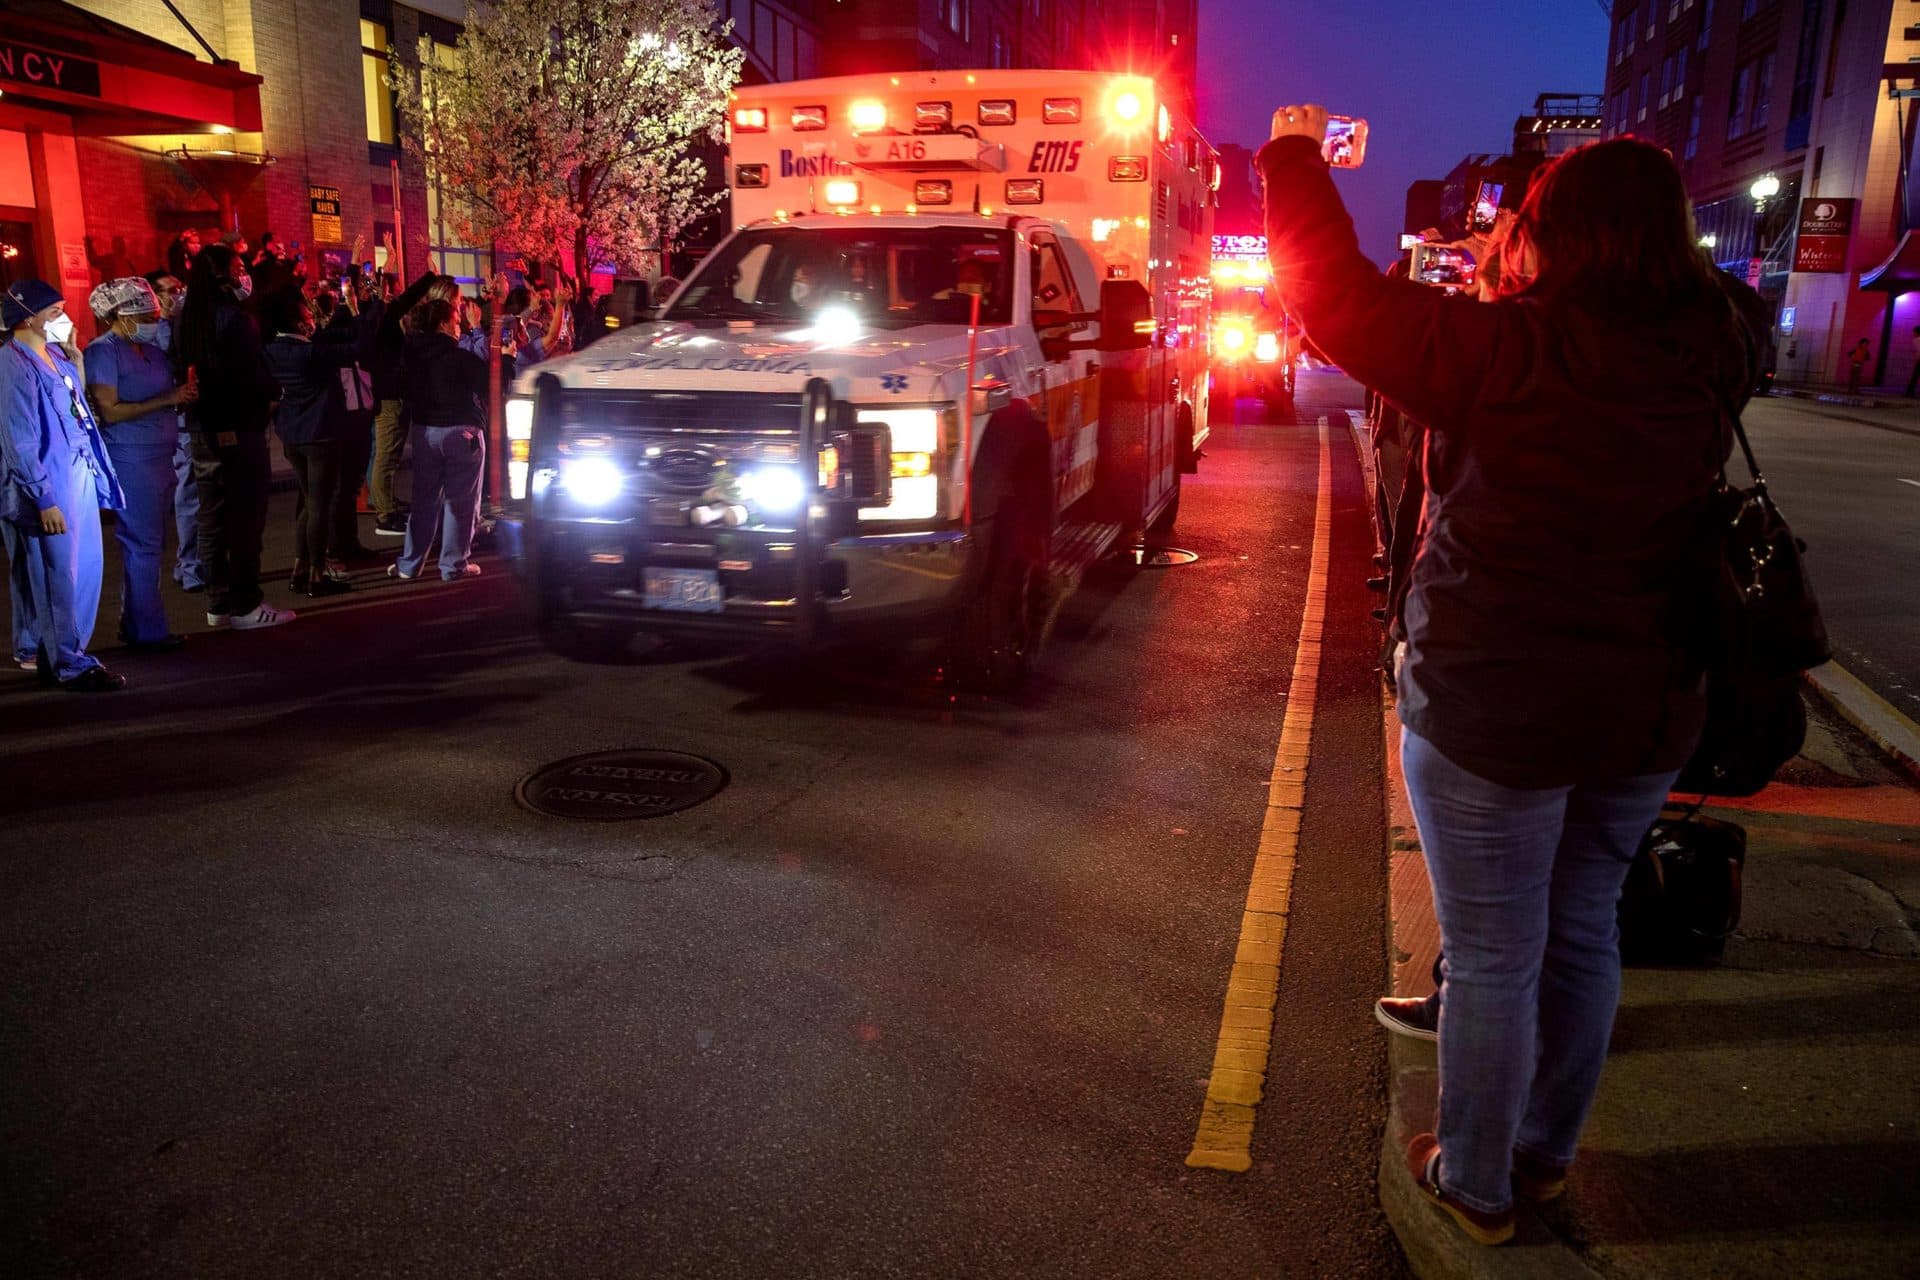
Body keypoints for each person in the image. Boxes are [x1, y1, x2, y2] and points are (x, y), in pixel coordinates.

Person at [1261, 110, 1754, 1245]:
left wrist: (1291, 159)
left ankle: (1472, 1178)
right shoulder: (1716, 342)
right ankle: (1536, 1160)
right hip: (1646, 701)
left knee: (1493, 952)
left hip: (1497, 699)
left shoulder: (1510, 353)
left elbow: (1331, 298)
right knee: (1581, 927)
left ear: (1557, 242)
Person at [1, 279, 129, 690]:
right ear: (27, 316)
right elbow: (18, 436)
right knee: (58, 575)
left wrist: (76, 363)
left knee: (85, 569)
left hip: (78, 474)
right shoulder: (11, 365)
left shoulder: (56, 354)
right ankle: (67, 662)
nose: (63, 316)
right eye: (54, 310)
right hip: (51, 482)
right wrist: (44, 497)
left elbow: (77, 413)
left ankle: (64, 652)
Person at [174, 243, 294, 630]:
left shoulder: (188, 319)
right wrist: (274, 392)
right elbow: (248, 374)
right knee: (244, 518)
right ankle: (246, 603)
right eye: (239, 266)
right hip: (238, 427)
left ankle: (219, 602)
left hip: (202, 429)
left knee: (212, 518)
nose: (245, 275)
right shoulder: (235, 319)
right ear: (222, 275)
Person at [83, 277, 196, 652]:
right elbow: (110, 411)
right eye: (145, 313)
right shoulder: (104, 351)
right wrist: (167, 399)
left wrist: (179, 397)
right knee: (142, 544)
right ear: (122, 315)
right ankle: (147, 630)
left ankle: (136, 621)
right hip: (132, 458)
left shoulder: (148, 349)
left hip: (159, 455)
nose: (153, 318)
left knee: (151, 543)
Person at [380, 279, 488, 581]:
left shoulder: (412, 352)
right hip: (461, 431)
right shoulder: (457, 355)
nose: (459, 325)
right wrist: (494, 347)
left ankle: (409, 564)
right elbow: (489, 381)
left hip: (426, 431)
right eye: (455, 319)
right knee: (461, 500)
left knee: (425, 500)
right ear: (443, 323)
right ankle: (453, 565)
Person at [261, 287, 363, 597]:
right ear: (296, 322)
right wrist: (358, 315)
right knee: (319, 502)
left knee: (308, 501)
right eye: (306, 315)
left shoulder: (271, 350)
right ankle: (317, 574)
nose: (311, 319)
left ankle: (300, 567)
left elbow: (329, 337)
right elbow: (358, 347)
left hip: (293, 433)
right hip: (320, 433)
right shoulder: (309, 353)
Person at [142, 269, 202, 593]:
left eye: (178, 288)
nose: (174, 295)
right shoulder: (152, 332)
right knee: (188, 495)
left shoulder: (181, 324)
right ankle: (191, 567)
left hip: (179, 421)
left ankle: (188, 564)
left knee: (191, 494)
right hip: (172, 422)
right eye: (166, 290)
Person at [1905, 326, 1918, 398]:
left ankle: (1909, 392)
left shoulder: (1916, 340)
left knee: (1914, 377)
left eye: (1914, 332)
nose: (1913, 333)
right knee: (1914, 377)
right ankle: (1910, 392)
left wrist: (1917, 359)